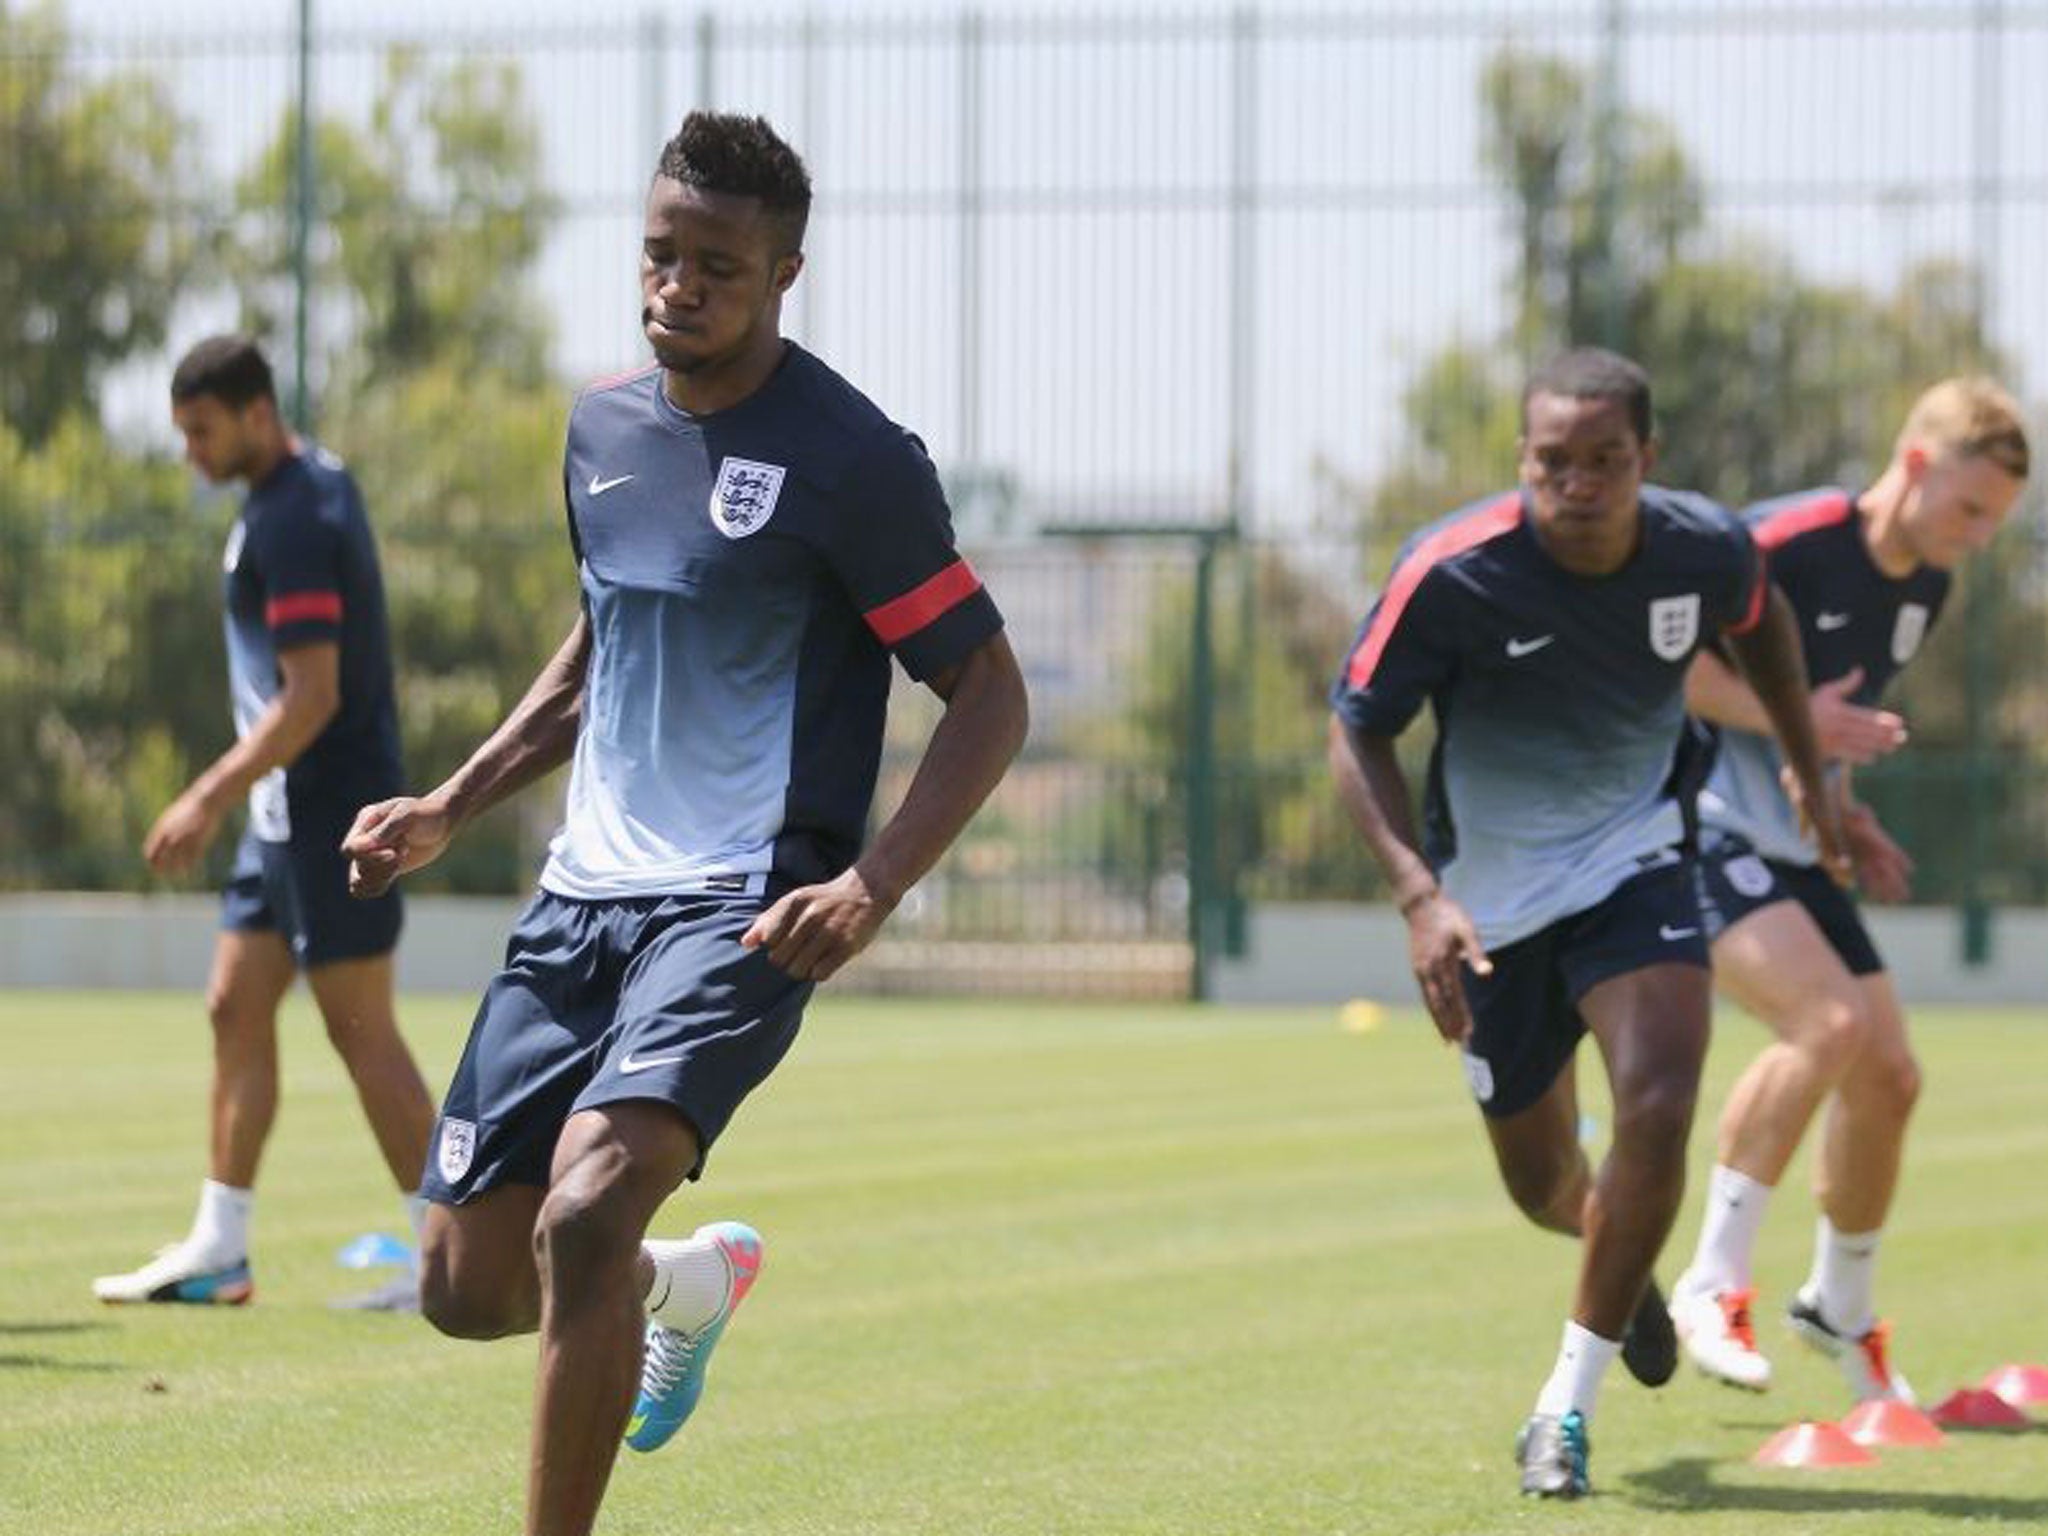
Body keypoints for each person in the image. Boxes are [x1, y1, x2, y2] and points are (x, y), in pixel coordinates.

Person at [341, 112, 1029, 1536]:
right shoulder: (601, 428)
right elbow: (602, 653)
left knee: (586, 1208)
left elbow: (988, 692)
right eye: (660, 255)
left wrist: (874, 883)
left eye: (717, 264)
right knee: (466, 1288)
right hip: (577, 900)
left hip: (742, 905)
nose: (679, 286)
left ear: (785, 272)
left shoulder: (852, 461)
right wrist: (451, 803)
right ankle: (686, 1284)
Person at [1328, 347, 1844, 1499]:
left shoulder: (1702, 548)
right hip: (1490, 913)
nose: (1575, 483)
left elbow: (1760, 626)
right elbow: (1355, 726)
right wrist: (1421, 896)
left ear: (1642, 461)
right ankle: (1621, 1273)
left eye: (1602, 461)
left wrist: (1804, 771)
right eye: (1551, 461)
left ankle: (1562, 1408)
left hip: (1641, 868)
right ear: (1522, 459)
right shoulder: (1451, 572)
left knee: (1656, 1103)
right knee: (1541, 1184)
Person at [1668, 379, 2030, 1403]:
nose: (1976, 533)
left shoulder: (1922, 590)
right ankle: (1707, 1283)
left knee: (1888, 1076)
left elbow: (1832, 718)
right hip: (1688, 818)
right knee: (1822, 1025)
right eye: (1968, 508)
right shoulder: (1783, 540)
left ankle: (1837, 1307)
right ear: (1913, 464)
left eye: (1993, 520)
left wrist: (1838, 805)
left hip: (1784, 836)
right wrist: (1799, 727)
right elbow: (1668, 666)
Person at [93, 335, 435, 1312]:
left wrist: (204, 794)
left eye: (201, 432)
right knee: (234, 1005)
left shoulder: (296, 515)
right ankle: (221, 1247)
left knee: (359, 1027)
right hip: (282, 820)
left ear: (254, 414)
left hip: (338, 815)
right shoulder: (295, 492)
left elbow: (312, 696)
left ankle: (443, 1254)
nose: (191, 453)